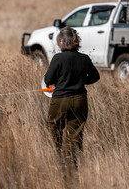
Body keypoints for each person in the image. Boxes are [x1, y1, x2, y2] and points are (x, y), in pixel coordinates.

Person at [44, 26, 100, 166]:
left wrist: (59, 82)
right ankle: (72, 165)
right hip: (80, 100)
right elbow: (96, 76)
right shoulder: (84, 58)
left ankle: (58, 156)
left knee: (54, 127)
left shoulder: (58, 58)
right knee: (75, 134)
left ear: (62, 42)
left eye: (58, 42)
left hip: (60, 100)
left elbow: (48, 80)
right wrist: (82, 81)